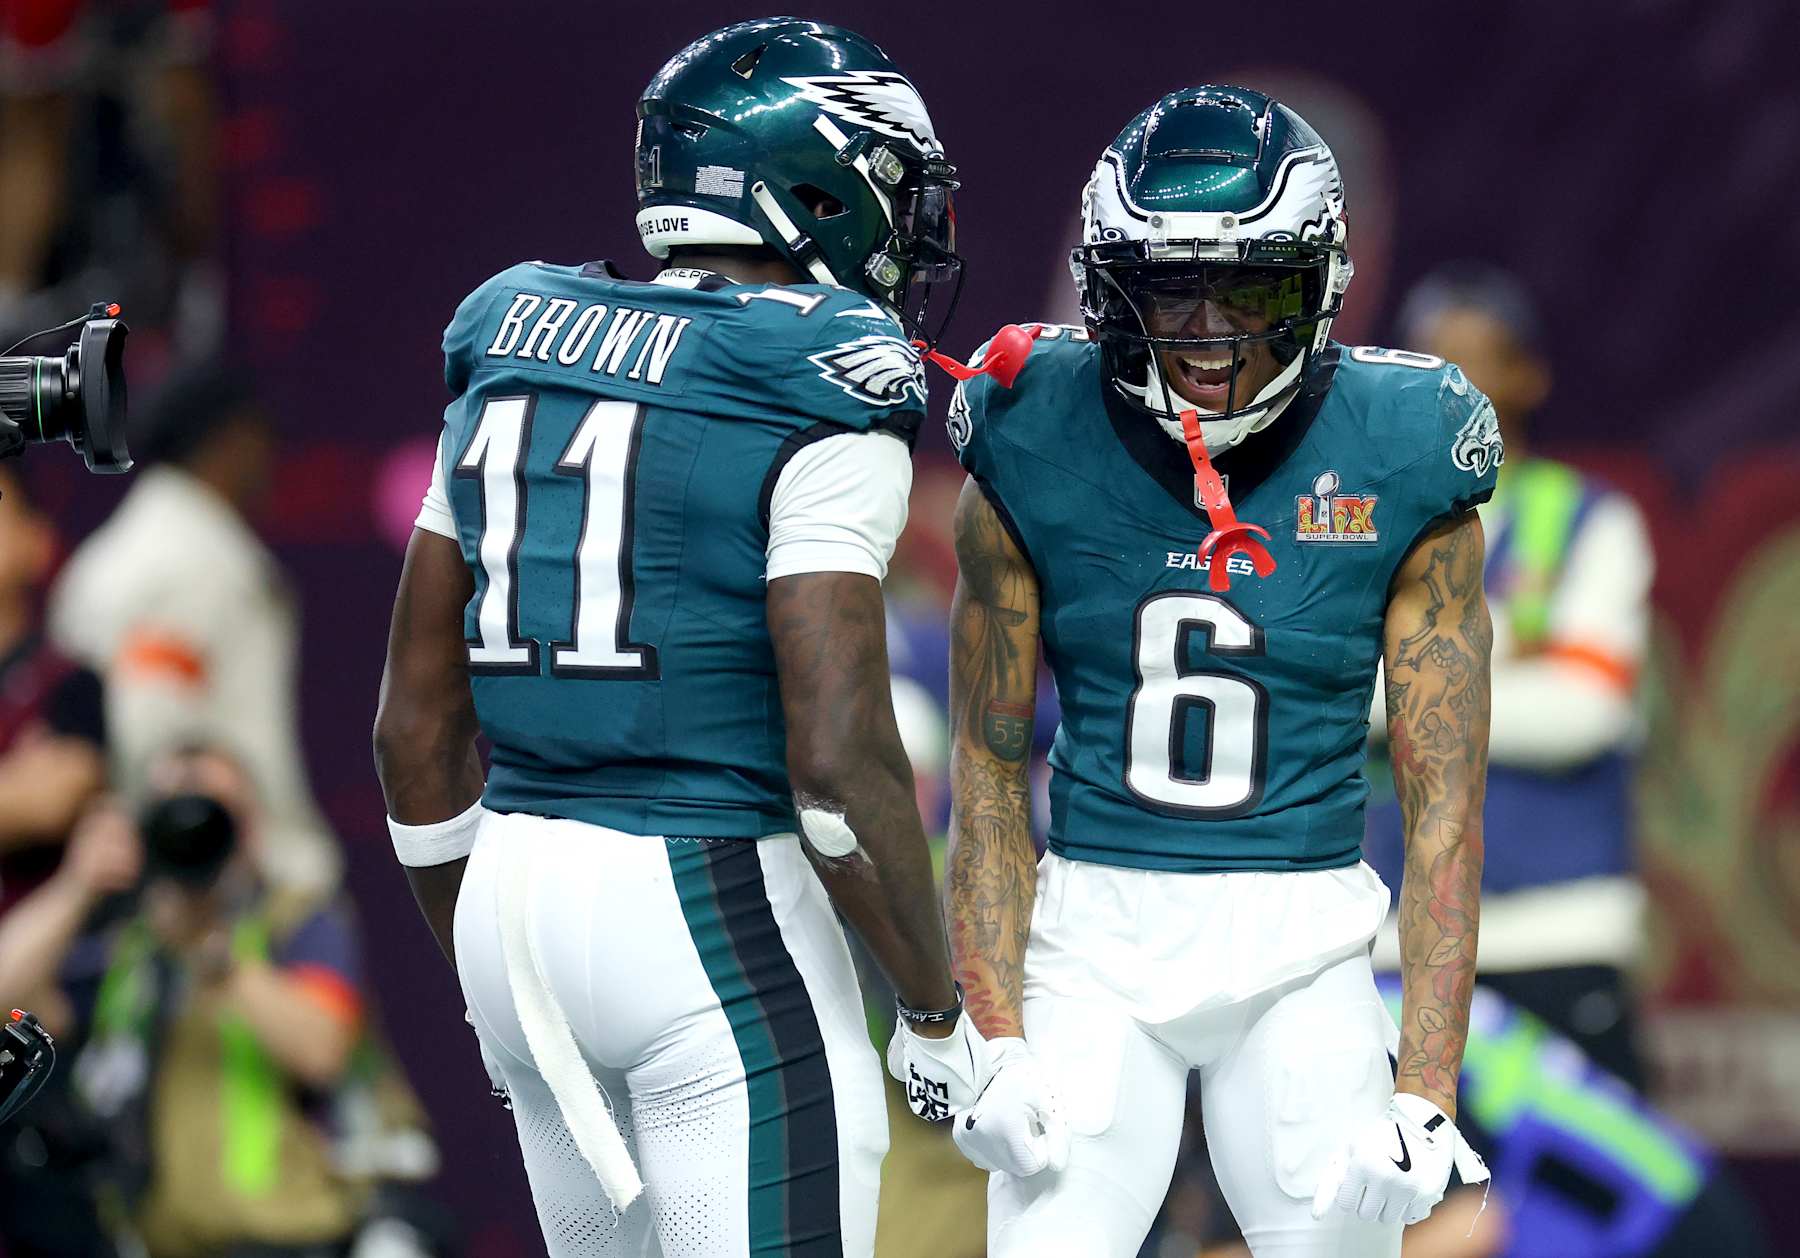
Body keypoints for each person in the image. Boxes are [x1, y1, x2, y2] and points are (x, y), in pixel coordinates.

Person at [373, 19, 979, 1257]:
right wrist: (929, 1011)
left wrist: (492, 974)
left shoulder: (510, 339)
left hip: (511, 895)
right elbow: (842, 762)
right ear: (820, 185)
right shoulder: (819, 370)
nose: (911, 230)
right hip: (705, 899)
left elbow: (415, 735)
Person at [943, 87, 1500, 1256]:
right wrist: (985, 1031)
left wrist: (1428, 1087)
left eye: (1247, 285)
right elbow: (986, 773)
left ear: (1318, 283)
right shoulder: (1025, 420)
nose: (1208, 330)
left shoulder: (1407, 440)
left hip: (1304, 943)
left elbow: (1444, 804)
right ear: (1109, 289)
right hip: (1088, 934)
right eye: (1169, 286)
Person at [1365, 264, 1655, 1088]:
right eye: (1428, 360)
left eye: (1475, 359)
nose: (1450, 384)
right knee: (1408, 1207)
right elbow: (1325, 699)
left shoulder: (1590, 518)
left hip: (1556, 930)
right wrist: (1502, 666)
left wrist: (1403, 682)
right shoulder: (1364, 524)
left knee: (1571, 1212)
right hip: (1394, 936)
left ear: (1529, 375)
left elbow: (1584, 710)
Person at [0, 745, 393, 1257]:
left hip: (288, 1238)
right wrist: (78, 884)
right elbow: (9, 1001)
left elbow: (322, 1050)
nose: (192, 834)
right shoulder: (129, 946)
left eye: (213, 814)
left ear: (250, 829)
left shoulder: (298, 920)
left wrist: (213, 952)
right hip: (149, 1241)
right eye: (171, 813)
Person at [1193, 979, 1771, 1258]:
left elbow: (1470, 1224)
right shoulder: (1358, 1000)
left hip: (1663, 1232)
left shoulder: (1347, 1044)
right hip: (1661, 1198)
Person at [49, 365, 342, 895]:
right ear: (228, 439)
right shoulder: (187, 560)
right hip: (217, 878)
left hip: (178, 866)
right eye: (259, 436)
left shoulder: (133, 547)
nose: (268, 455)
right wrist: (203, 861)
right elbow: (154, 726)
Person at [0, 460, 108, 916]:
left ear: (37, 540)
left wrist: (30, 798)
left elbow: (52, 803)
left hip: (46, 967)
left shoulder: (68, 682)